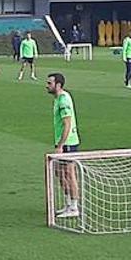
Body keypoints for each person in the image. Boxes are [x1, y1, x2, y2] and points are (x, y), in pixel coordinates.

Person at [46, 72, 81, 218]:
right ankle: (68, 204)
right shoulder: (59, 98)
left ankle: (74, 207)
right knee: (59, 172)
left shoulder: (63, 101)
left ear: (58, 85)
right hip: (63, 141)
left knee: (69, 173)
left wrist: (60, 145)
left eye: (49, 83)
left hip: (68, 143)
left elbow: (67, 124)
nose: (47, 86)